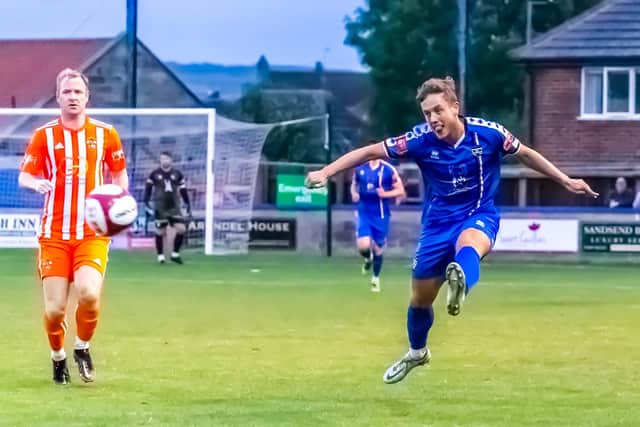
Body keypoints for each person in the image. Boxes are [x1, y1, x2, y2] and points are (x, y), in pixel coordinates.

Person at [305, 77, 598, 384]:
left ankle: (460, 281)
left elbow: (524, 153)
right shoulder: (419, 141)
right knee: (419, 301)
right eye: (427, 114)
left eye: (438, 110)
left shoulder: (489, 134)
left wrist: (564, 180)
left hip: (478, 213)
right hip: (436, 226)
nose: (432, 119)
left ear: (455, 108)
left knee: (469, 243)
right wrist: (326, 171)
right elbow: (369, 152)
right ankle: (417, 352)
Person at [18, 68, 129, 385]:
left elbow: (119, 173)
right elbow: (25, 174)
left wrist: (120, 198)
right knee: (54, 310)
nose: (73, 97)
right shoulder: (44, 136)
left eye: (78, 92)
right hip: (54, 235)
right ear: (58, 97)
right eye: (67, 92)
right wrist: (35, 183)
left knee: (89, 293)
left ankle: (82, 347)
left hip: (92, 233)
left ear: (87, 97)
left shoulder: (106, 134)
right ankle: (58, 357)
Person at [350, 159, 406, 292]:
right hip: (364, 212)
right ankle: (367, 259)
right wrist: (354, 193)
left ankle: (375, 278)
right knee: (363, 245)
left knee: (378, 249)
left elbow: (401, 191)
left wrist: (386, 194)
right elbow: (354, 184)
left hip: (381, 214)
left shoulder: (388, 169)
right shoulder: (360, 169)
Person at [143, 151, 191, 264]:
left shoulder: (177, 174)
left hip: (174, 206)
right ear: (160, 160)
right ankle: (160, 256)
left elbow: (183, 190)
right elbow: (148, 189)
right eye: (162, 159)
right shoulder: (154, 174)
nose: (164, 161)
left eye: (166, 158)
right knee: (160, 231)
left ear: (171, 160)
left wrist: (187, 203)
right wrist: (146, 202)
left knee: (181, 229)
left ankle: (175, 254)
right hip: (160, 207)